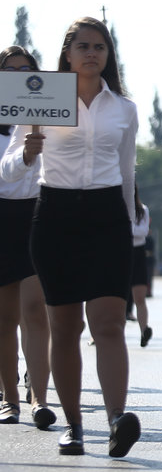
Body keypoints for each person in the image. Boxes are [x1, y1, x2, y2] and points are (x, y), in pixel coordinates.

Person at [0, 17, 141, 457]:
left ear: (108, 54)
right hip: (55, 214)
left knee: (109, 324)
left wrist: (133, 225)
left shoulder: (123, 108)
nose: (92, 53)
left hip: (106, 218)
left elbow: (127, 170)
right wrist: (26, 153)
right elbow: (8, 170)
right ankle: (75, 425)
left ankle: (118, 419)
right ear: (67, 52)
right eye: (83, 45)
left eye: (100, 46)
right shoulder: (42, 97)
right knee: (65, 326)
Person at [0, 46, 56, 430]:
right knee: (5, 316)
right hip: (2, 217)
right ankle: (9, 397)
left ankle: (39, 397)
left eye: (26, 69)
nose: (20, 75)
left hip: (39, 214)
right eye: (10, 70)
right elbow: (6, 172)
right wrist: (22, 156)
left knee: (36, 310)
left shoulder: (51, 116)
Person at [129, 185, 153, 347]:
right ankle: (101, 334)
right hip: (121, 253)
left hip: (138, 254)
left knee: (140, 298)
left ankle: (144, 330)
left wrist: (126, 228)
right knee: (118, 300)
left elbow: (143, 231)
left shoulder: (142, 210)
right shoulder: (116, 207)